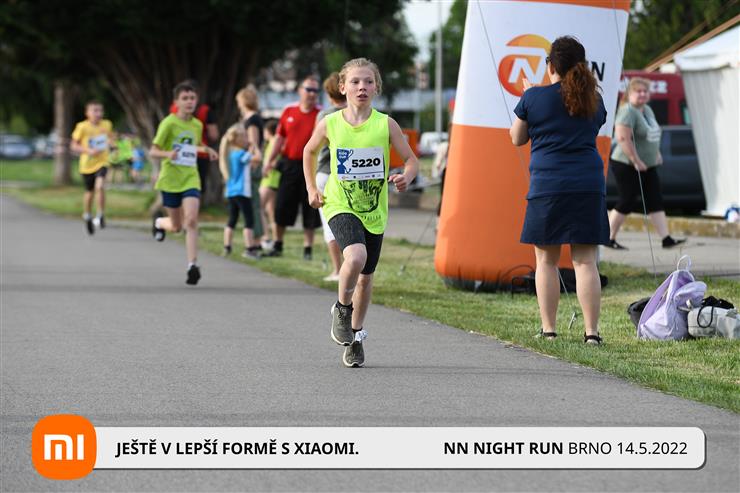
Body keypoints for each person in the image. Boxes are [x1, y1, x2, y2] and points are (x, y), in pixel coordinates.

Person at [304, 58, 419, 367]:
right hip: (339, 203)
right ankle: (342, 309)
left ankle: (355, 336)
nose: (362, 87)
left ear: (376, 88)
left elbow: (411, 160)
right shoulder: (330, 123)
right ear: (343, 87)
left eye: (368, 81)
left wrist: (406, 177)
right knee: (355, 256)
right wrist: (312, 188)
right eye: (355, 82)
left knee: (366, 279)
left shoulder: (386, 124)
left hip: (374, 210)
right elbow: (309, 151)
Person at [509, 36, 608, 345]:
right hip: (588, 184)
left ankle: (549, 330)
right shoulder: (594, 99)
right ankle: (591, 333)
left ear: (550, 65)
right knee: (586, 261)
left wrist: (528, 97)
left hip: (548, 186)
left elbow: (517, 138)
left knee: (546, 261)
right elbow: (589, 126)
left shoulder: (533, 97)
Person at [151, 81, 218, 285]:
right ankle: (159, 222)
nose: (189, 102)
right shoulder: (168, 123)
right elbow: (153, 150)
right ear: (176, 102)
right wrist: (167, 154)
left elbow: (192, 146)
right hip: (170, 179)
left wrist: (206, 149)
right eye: (185, 98)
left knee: (191, 220)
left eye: (192, 98)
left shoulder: (197, 124)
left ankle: (192, 265)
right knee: (177, 227)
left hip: (190, 178)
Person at [607, 77, 686, 250]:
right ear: (629, 94)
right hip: (626, 163)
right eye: (638, 91)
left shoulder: (647, 110)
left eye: (645, 91)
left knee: (655, 199)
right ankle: (608, 237)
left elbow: (652, 134)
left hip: (648, 165)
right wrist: (636, 160)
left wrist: (656, 153)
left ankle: (666, 239)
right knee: (627, 200)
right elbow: (622, 138)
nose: (642, 94)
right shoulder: (628, 111)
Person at [264, 75, 322, 259]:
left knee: (310, 207)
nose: (312, 94)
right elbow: (279, 137)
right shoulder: (289, 110)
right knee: (282, 205)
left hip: (311, 165)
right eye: (308, 89)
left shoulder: (321, 114)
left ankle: (308, 249)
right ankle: (278, 244)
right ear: (300, 90)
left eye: (315, 90)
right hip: (289, 164)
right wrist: (269, 160)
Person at [315, 73, 347, 282]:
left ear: (329, 94)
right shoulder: (354, 115)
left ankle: (338, 270)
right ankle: (352, 268)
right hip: (348, 175)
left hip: (325, 173)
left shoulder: (325, 116)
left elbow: (314, 146)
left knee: (330, 225)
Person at [169, 79, 219, 204]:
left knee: (177, 188)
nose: (189, 101)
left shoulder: (173, 110)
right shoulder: (205, 110)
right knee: (195, 187)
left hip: (177, 154)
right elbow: (213, 135)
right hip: (199, 155)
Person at [70, 100, 115, 235]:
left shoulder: (107, 124)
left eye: (100, 110)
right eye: (95, 110)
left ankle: (100, 215)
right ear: (87, 113)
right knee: (89, 192)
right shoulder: (82, 127)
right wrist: (88, 151)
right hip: (87, 165)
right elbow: (73, 145)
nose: (98, 113)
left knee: (100, 187)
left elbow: (111, 139)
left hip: (102, 162)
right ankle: (87, 214)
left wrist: (112, 144)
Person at [218, 125, 260, 259]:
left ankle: (227, 246)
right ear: (238, 139)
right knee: (249, 221)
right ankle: (249, 249)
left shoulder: (230, 154)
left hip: (231, 192)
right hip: (242, 192)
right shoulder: (241, 154)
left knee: (232, 219)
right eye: (244, 136)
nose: (247, 139)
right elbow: (258, 158)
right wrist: (255, 146)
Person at [235, 86, 265, 251]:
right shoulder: (252, 118)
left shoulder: (252, 119)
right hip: (250, 164)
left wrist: (253, 163)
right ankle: (257, 238)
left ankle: (256, 241)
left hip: (252, 165)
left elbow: (253, 144)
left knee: (252, 203)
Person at [259, 119, 280, 249]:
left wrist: (265, 169)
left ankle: (266, 237)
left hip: (269, 179)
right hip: (274, 179)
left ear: (268, 131)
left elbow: (275, 160)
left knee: (258, 207)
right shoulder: (274, 143)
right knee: (271, 211)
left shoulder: (274, 142)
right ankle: (275, 239)